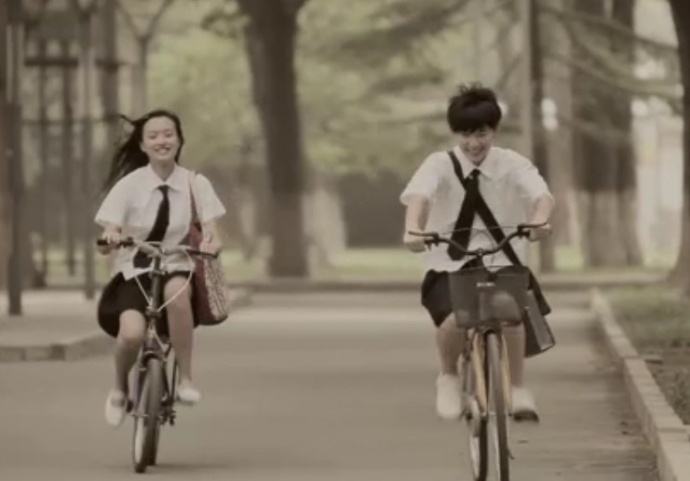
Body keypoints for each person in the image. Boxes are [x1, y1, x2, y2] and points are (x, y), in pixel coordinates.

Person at [400, 84, 554, 421]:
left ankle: (517, 387)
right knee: (456, 317)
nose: (474, 143)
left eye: (481, 133)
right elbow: (420, 197)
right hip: (449, 262)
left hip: (503, 258)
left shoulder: (512, 163)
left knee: (511, 312)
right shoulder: (439, 164)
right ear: (456, 133)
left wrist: (539, 220)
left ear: (493, 130)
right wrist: (413, 228)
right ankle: (448, 376)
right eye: (466, 134)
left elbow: (540, 195)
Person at [95, 109, 226, 427]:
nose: (161, 141)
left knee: (177, 293)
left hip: (177, 262)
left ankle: (186, 379)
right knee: (131, 335)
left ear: (179, 140)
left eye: (168, 134)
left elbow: (211, 230)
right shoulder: (129, 185)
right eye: (153, 136)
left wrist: (211, 244)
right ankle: (119, 388)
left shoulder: (196, 183)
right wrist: (111, 237)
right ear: (143, 145)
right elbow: (109, 230)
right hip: (135, 270)